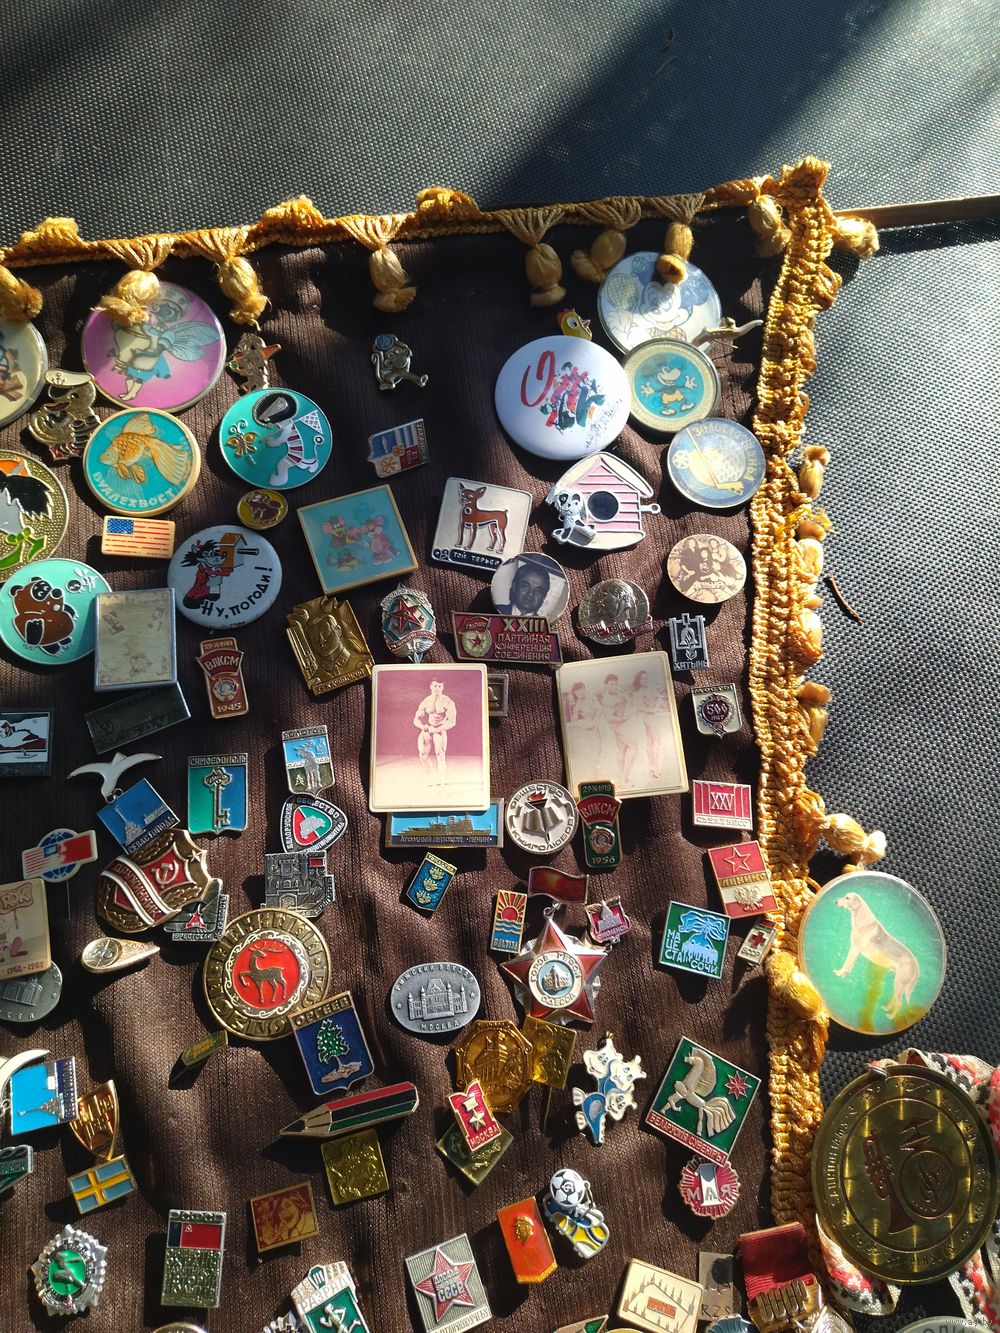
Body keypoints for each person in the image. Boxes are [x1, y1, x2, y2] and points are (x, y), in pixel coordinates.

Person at [413, 679, 457, 783]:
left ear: (443, 687)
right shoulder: (426, 701)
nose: (437, 688)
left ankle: (442, 782)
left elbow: (452, 721)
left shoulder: (447, 701)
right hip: (428, 729)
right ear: (431, 687)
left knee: (440, 755)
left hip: (439, 729)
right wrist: (422, 726)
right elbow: (416, 719)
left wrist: (437, 729)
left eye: (439, 686)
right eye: (435, 686)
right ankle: (428, 776)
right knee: (422, 755)